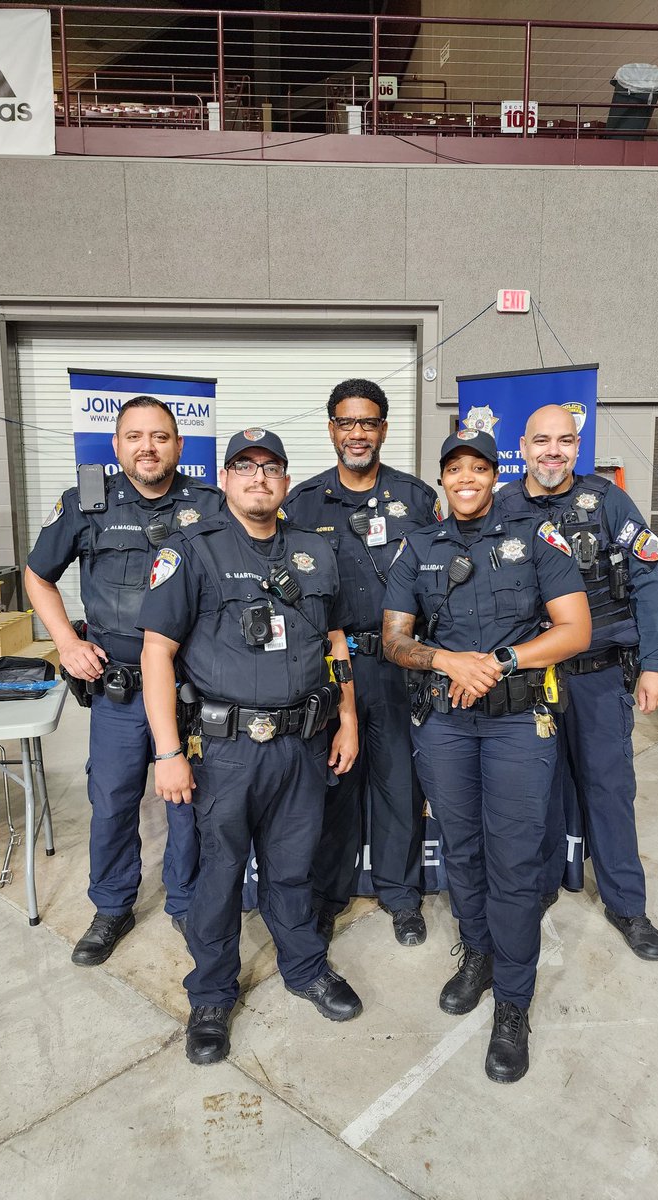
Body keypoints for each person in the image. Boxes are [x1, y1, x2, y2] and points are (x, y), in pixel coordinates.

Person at [138, 427, 362, 1066]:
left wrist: (345, 719)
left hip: (304, 741)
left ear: (287, 481)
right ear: (227, 479)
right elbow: (158, 654)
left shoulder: (316, 553)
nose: (258, 477)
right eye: (245, 466)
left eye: (271, 468)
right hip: (227, 750)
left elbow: (336, 641)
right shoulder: (193, 552)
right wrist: (167, 752)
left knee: (295, 866)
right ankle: (210, 994)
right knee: (220, 873)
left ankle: (305, 967)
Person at [382, 429, 591, 1084]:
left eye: (479, 466)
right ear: (441, 478)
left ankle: (513, 1003)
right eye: (454, 468)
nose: (466, 477)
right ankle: (477, 955)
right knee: (464, 850)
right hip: (444, 722)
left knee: (514, 856)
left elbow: (574, 630)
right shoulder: (416, 547)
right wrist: (448, 661)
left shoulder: (534, 536)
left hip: (515, 725)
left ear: (494, 473)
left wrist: (497, 662)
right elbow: (394, 640)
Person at [25, 396, 222, 966]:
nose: (148, 447)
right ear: (115, 446)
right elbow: (37, 576)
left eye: (160, 436)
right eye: (134, 436)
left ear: (179, 447)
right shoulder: (88, 505)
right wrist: (66, 641)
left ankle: (186, 903)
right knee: (111, 801)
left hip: (192, 688)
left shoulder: (210, 505)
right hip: (119, 689)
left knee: (188, 800)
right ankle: (111, 907)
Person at [496, 404, 658, 961]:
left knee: (609, 791)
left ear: (578, 445)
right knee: (533, 794)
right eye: (541, 440)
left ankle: (626, 904)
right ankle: (541, 885)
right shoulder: (499, 506)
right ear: (521, 447)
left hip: (597, 679)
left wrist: (653, 663)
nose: (553, 451)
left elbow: (648, 580)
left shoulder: (608, 501)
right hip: (526, 681)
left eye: (565, 441)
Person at [284, 379, 440, 947]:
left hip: (399, 665)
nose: (357, 434)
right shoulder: (301, 502)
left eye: (367, 423)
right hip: (331, 667)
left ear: (383, 430)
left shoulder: (418, 499)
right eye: (346, 423)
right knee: (335, 783)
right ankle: (329, 896)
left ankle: (401, 897)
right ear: (331, 429)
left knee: (399, 783)